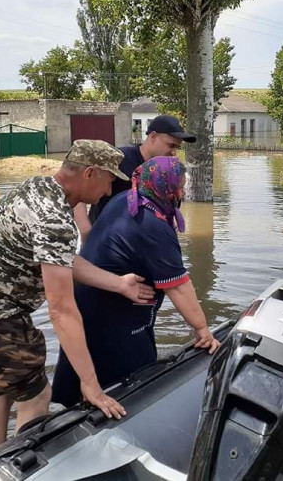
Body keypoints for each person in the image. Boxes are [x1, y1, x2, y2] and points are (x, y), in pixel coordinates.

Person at [0, 140, 157, 453]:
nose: (110, 190)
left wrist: (118, 284)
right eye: (110, 180)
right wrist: (91, 384)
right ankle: (22, 470)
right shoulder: (56, 219)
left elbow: (62, 260)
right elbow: (61, 310)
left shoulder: (37, 187)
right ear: (89, 173)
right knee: (37, 398)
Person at [52, 156, 220, 407]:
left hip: (85, 306)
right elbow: (178, 284)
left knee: (77, 374)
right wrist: (203, 330)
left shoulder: (126, 200)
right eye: (180, 186)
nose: (183, 192)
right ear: (165, 187)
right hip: (115, 312)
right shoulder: (152, 224)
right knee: (134, 386)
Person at [74, 115, 196, 242]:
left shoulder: (169, 173)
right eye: (171, 145)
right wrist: (85, 230)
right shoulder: (119, 158)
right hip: (104, 243)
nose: (174, 153)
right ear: (153, 136)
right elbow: (80, 185)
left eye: (177, 147)